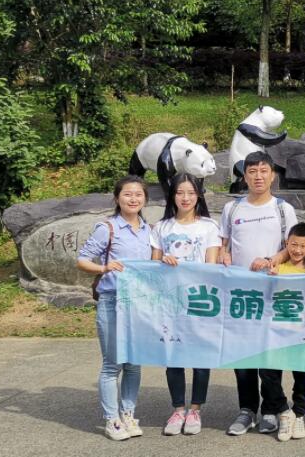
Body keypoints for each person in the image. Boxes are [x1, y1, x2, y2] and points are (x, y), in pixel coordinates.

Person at [218, 151, 297, 437]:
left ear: (272, 175)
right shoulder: (232, 209)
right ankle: (247, 409)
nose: (258, 176)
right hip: (240, 295)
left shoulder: (283, 209)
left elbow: (292, 247)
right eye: (252, 171)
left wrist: (271, 260)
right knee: (242, 355)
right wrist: (224, 255)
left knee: (269, 354)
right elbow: (224, 245)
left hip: (273, 294)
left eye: (264, 171)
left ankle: (271, 409)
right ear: (245, 176)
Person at [76, 175, 152, 441]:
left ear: (145, 199)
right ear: (117, 198)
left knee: (133, 364)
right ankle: (112, 420)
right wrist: (104, 267)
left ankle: (128, 414)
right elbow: (82, 260)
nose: (133, 199)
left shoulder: (148, 230)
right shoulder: (107, 228)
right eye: (127, 194)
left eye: (138, 195)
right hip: (112, 301)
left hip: (138, 305)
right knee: (112, 364)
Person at [150, 174, 220, 437]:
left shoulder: (209, 227)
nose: (186, 198)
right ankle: (178, 408)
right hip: (170, 302)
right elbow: (152, 267)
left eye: (191, 192)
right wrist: (162, 262)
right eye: (180, 192)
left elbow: (211, 266)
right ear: (173, 196)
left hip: (200, 300)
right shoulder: (162, 228)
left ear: (198, 196)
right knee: (173, 356)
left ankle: (195, 409)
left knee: (200, 357)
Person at [266, 223, 305, 441]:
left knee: (301, 375)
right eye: (294, 245)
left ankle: (299, 414)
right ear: (286, 243)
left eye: (303, 246)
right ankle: (284, 411)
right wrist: (269, 278)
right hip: (276, 331)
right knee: (268, 372)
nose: (297, 250)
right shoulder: (277, 267)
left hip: (302, 333)